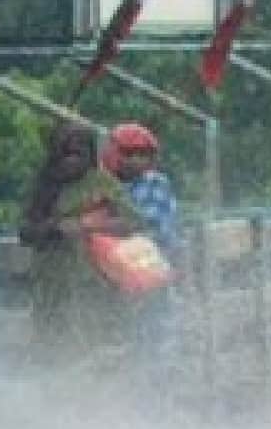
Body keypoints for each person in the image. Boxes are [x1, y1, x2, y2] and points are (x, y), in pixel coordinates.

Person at [18, 122, 147, 367]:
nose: (70, 161)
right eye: (64, 154)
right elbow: (26, 232)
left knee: (100, 354)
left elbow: (133, 222)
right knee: (56, 352)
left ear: (90, 156)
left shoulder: (102, 184)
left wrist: (91, 225)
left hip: (99, 287)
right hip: (54, 287)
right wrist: (58, 227)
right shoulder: (45, 186)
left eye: (78, 154)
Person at [101, 122, 182, 262]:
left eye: (142, 154)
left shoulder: (154, 181)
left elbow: (145, 225)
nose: (135, 160)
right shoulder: (103, 182)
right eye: (128, 153)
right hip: (116, 251)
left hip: (155, 253)